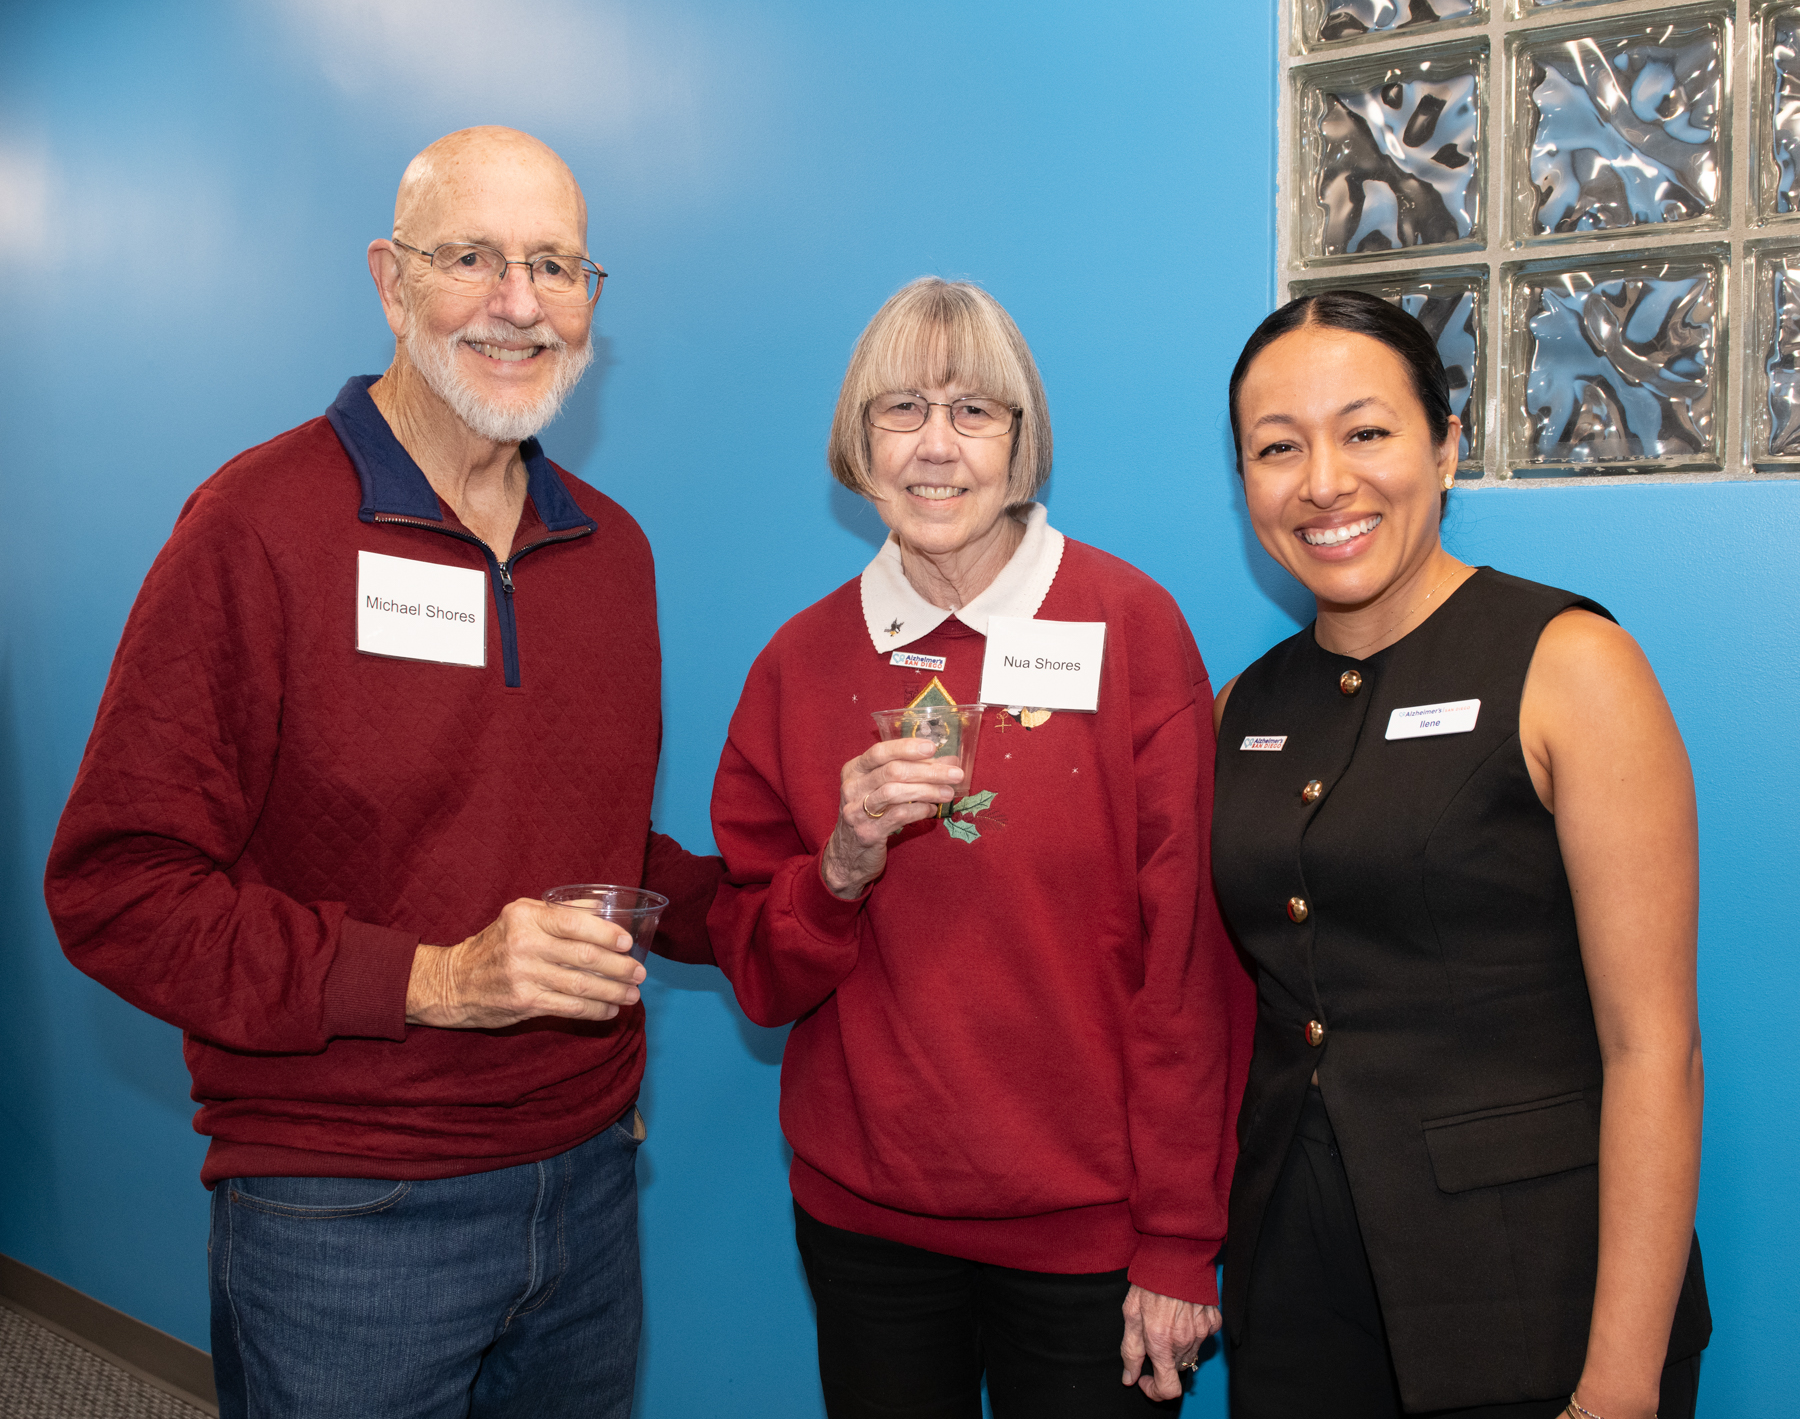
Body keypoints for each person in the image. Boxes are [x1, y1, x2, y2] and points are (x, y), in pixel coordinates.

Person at [44, 126, 723, 1419]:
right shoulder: (254, 528)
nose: (519, 303)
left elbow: (594, 852)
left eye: (556, 266)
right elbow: (117, 891)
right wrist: (438, 979)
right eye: (472, 258)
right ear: (389, 280)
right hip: (346, 1208)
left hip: (585, 1188)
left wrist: (811, 888)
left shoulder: (612, 555)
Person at [708, 277, 1255, 1417]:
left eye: (973, 412)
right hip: (868, 1229)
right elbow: (760, 972)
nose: (936, 447)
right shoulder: (798, 666)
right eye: (901, 410)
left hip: (1094, 1238)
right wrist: (841, 868)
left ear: (1023, 438)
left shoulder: (1129, 627)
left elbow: (1189, 959)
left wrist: (1178, 1235)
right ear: (858, 444)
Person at [1212, 290, 1710, 1418]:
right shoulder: (1244, 706)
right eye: (1278, 448)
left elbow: (1654, 1050)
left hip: (1534, 1297)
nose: (1324, 482)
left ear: (1445, 448)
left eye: (1366, 431)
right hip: (1299, 1298)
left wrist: (1618, 1386)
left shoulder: (1569, 664)